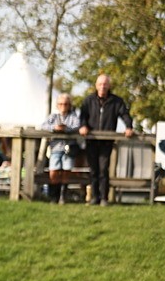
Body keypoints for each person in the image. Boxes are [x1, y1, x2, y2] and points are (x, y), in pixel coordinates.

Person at [78, 74, 134, 206]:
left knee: (103, 169)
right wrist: (83, 126)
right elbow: (82, 116)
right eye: (100, 84)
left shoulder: (116, 101)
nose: (102, 86)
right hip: (91, 140)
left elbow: (125, 115)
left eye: (105, 84)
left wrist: (129, 127)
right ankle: (94, 197)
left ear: (109, 86)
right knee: (93, 170)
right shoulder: (89, 100)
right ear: (96, 85)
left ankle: (104, 197)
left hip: (106, 142)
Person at [40, 94, 82, 204]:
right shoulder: (53, 116)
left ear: (69, 105)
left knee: (66, 171)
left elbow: (77, 126)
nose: (63, 106)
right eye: (61, 104)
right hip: (55, 148)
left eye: (66, 104)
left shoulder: (73, 116)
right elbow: (43, 126)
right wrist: (54, 128)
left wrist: (65, 129)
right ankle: (54, 196)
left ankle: (62, 196)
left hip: (69, 149)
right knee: (53, 172)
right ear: (57, 105)